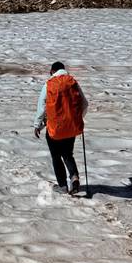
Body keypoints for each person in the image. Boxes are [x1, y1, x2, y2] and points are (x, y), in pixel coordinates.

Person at [32, 61, 88, 195]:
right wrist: (76, 119)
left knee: (56, 157)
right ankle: (74, 177)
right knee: (68, 154)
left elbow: (42, 107)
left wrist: (37, 125)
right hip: (71, 127)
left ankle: (63, 186)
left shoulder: (49, 84)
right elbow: (85, 103)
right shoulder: (72, 82)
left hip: (54, 128)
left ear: (52, 71)